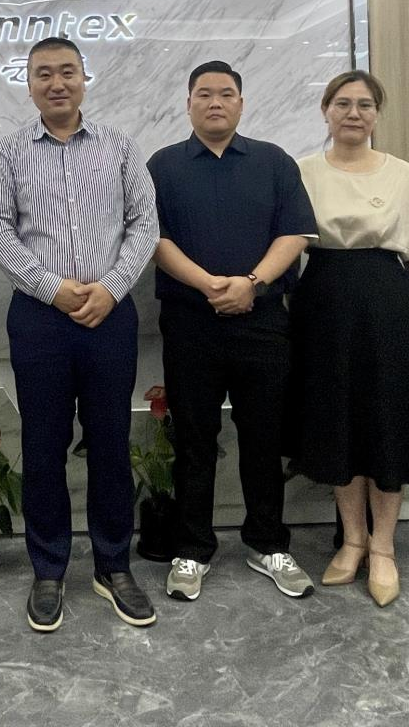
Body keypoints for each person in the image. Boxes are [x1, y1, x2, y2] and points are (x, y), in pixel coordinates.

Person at [0, 36, 159, 632]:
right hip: (40, 318)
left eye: (67, 72)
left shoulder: (120, 147)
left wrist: (111, 288)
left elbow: (144, 225)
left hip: (110, 315)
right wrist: (51, 287)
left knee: (110, 441)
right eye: (43, 74)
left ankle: (113, 566)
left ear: (85, 78)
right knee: (43, 445)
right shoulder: (8, 153)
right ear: (28, 84)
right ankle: (49, 569)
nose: (56, 83)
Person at [289, 71, 409, 607]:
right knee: (340, 421)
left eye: (365, 104)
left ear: (377, 114)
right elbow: (287, 244)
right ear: (325, 110)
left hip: (391, 305)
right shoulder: (301, 171)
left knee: (388, 421)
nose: (353, 113)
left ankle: (383, 546)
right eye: (342, 103)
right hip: (323, 304)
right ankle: (353, 540)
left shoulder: (401, 173)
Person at [147, 60, 318, 603]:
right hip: (190, 324)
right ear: (188, 104)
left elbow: (296, 233)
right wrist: (209, 286)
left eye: (226, 93)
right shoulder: (162, 165)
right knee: (193, 440)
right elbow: (154, 239)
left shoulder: (273, 161)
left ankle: (267, 544)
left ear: (241, 104)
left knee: (264, 438)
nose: (215, 102)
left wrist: (251, 283)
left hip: (262, 322)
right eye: (204, 94)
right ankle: (192, 549)